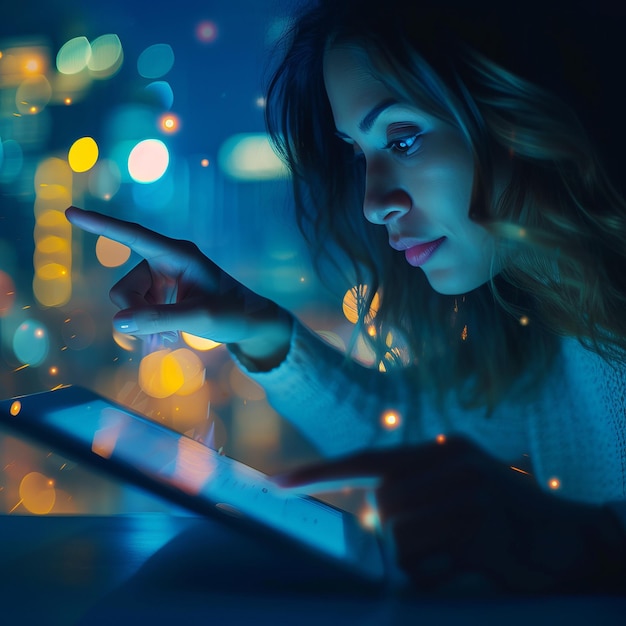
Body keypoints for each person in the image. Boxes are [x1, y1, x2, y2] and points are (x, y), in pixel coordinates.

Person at [66, 0, 626, 594]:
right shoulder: (560, 329)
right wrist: (261, 329)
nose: (372, 200)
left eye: (403, 138)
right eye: (360, 153)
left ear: (516, 100)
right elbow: (413, 437)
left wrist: (584, 543)